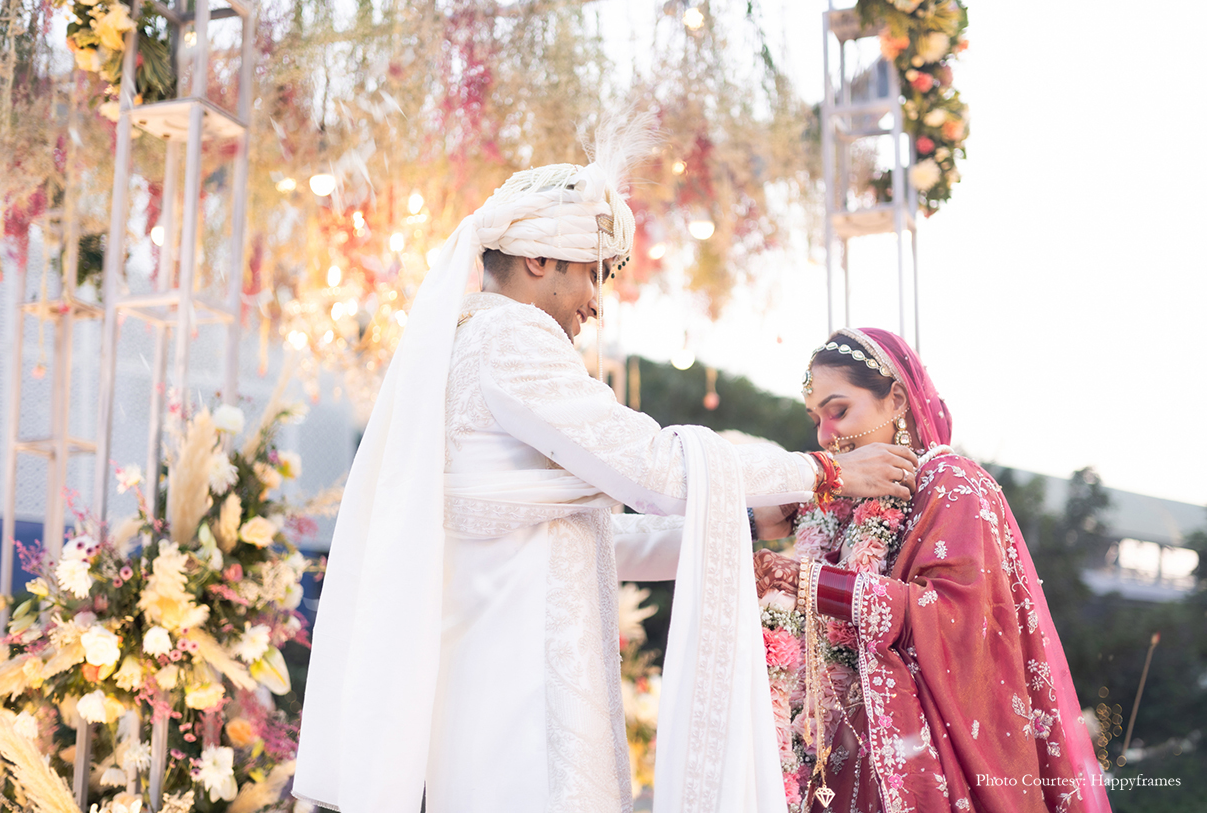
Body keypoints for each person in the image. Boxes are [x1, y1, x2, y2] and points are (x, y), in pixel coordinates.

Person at [291, 119, 919, 813]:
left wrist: (735, 526)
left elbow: (591, 535)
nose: (595, 300)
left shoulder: (468, 346)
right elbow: (654, 467)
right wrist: (822, 474)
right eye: (595, 272)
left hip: (506, 693)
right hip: (521, 712)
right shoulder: (511, 336)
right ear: (540, 260)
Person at [754, 327, 1110, 813]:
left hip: (922, 769)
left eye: (838, 411)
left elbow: (954, 619)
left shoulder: (954, 484)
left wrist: (804, 582)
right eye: (816, 418)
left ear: (896, 398)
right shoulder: (836, 509)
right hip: (835, 765)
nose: (824, 435)